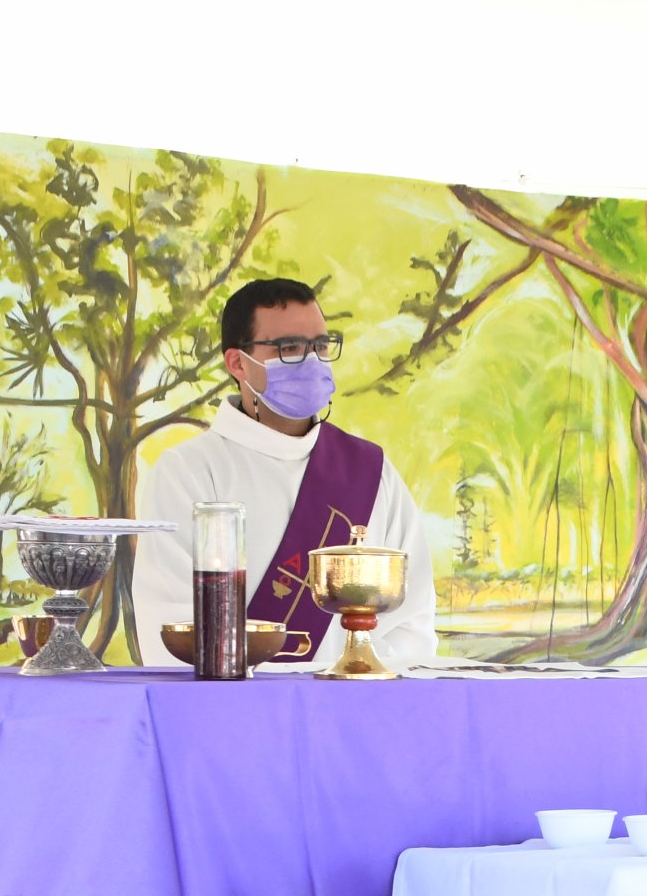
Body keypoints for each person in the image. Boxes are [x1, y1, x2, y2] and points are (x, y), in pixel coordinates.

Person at [131, 277, 436, 669]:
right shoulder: (188, 473)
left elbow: (412, 621)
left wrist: (350, 683)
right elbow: (171, 624)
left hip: (349, 702)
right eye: (289, 348)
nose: (312, 361)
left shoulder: (370, 472)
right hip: (232, 704)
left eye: (320, 346)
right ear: (238, 363)